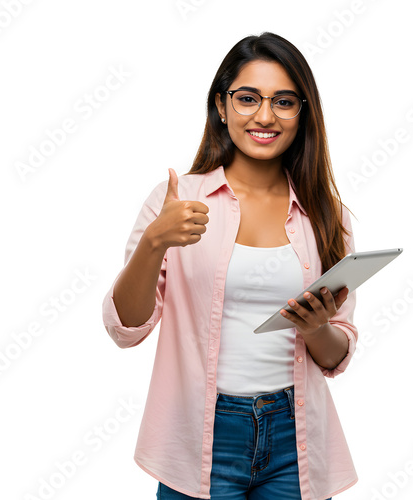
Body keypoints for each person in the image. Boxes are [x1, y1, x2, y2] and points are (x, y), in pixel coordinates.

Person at [102, 32, 359, 500]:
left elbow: (336, 354)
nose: (264, 116)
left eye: (283, 101)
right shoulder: (176, 201)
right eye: (247, 99)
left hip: (294, 439)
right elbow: (126, 328)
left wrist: (318, 327)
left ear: (303, 113)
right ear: (221, 106)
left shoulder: (326, 213)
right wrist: (154, 242)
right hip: (201, 434)